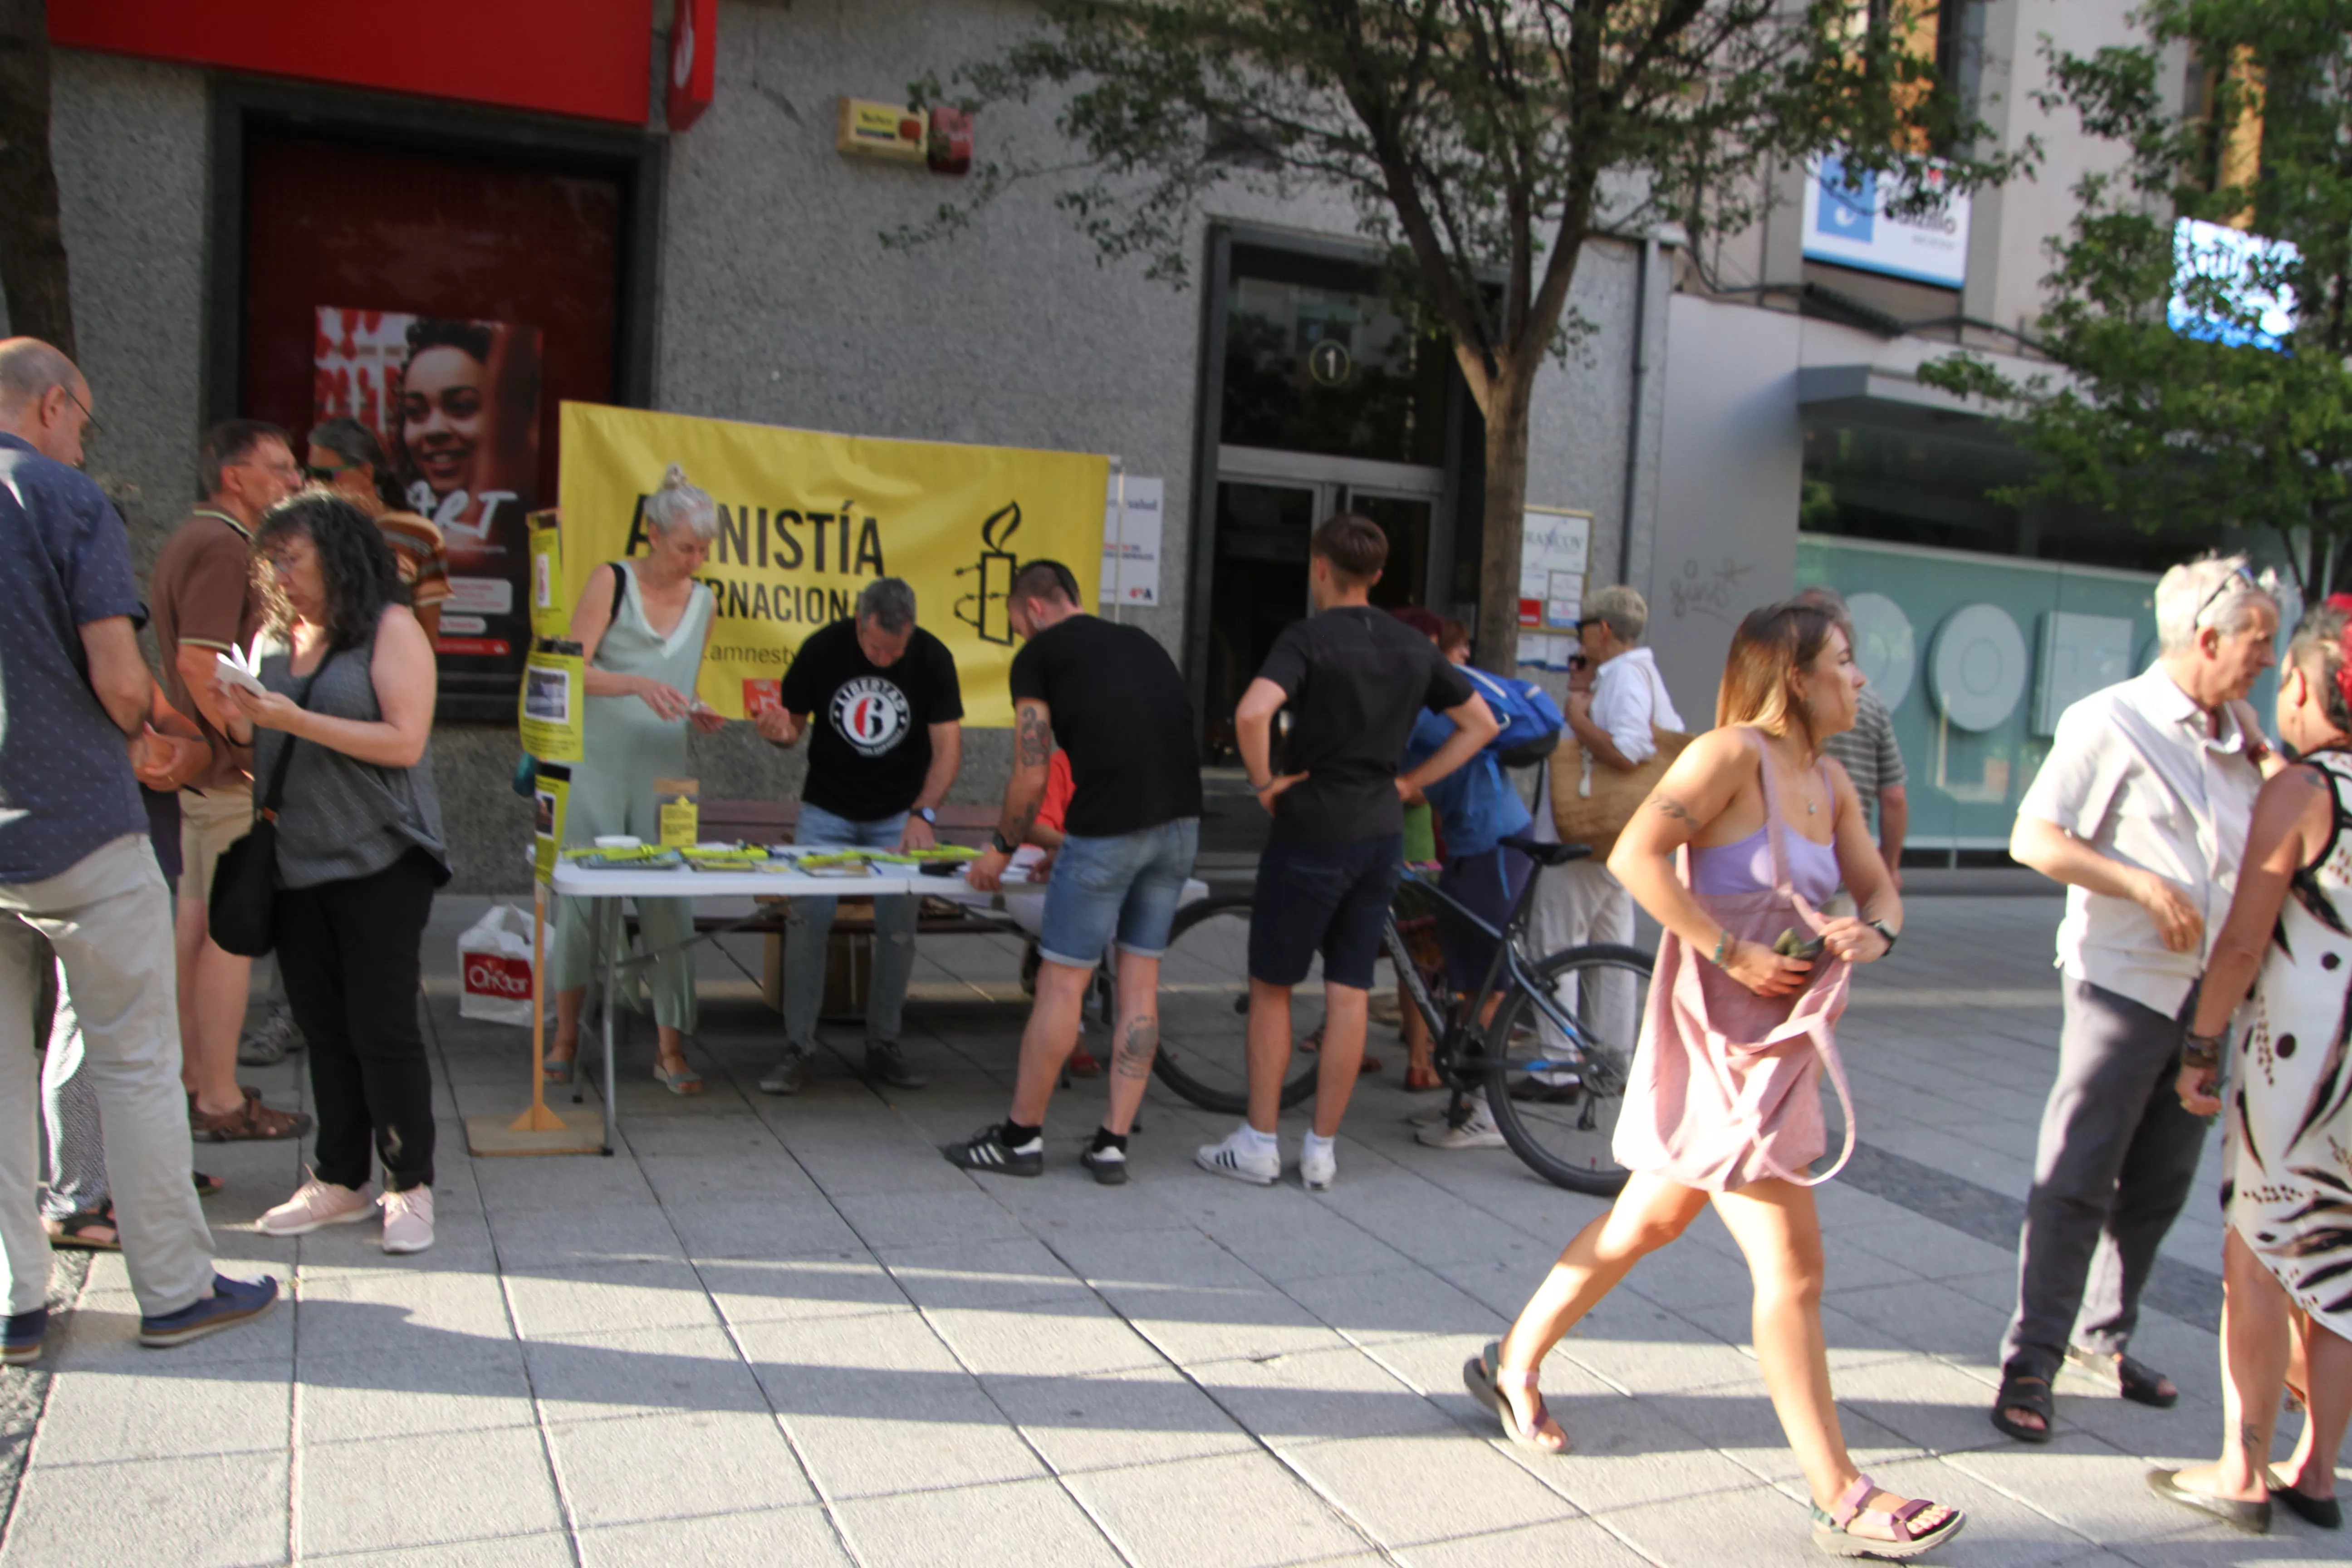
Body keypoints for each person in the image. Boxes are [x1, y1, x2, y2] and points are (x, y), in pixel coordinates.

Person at [1473, 600, 1961, 1558]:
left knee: (1646, 1221)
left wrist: (1877, 929)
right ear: (1794, 678)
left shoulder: (1829, 779)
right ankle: (1841, 1494)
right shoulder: (1727, 755)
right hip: (1714, 1039)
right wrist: (1724, 950)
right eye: (1845, 663)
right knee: (1795, 1268)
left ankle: (1512, 1358)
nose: (1859, 680)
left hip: (1778, 1048)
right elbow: (1635, 856)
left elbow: (1879, 886)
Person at [0, 336, 277, 1352]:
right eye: (84, 418)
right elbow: (120, 679)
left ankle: (13, 1303)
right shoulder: (66, 501)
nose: (82, 436)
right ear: (54, 406)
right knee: (134, 1056)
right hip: (76, 815)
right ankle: (172, 1289)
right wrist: (165, 734)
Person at [1992, 554, 2279, 1443]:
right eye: (2257, 643)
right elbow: (2032, 837)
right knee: (2079, 1173)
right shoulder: (2111, 719)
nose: (2265, 660)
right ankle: (2030, 1358)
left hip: (2208, 1002)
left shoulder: (2240, 738)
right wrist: (2141, 887)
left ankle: (2102, 1339)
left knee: (2160, 1183)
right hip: (2121, 989)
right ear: (2206, 638)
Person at [1196, 515, 1496, 1192]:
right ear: (1380, 575)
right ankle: (1323, 1151)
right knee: (1352, 988)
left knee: (1273, 985)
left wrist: (1265, 783)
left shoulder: (1306, 638)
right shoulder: (1412, 644)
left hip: (1312, 827)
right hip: (1381, 830)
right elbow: (1482, 723)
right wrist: (1414, 782)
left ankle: (1260, 1143)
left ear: (1319, 567)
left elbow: (1251, 714)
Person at [2146, 599, 2352, 1534]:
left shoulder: (2304, 791)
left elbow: (2242, 944)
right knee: (2342, 1259)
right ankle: (2317, 1472)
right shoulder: (2309, 783)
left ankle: (2244, 1467)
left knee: (2259, 1256)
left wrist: (2201, 1045)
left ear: (2307, 685)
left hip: (2298, 1066)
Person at [221, 494, 451, 1255]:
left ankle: (408, 1184)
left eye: (292, 556)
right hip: (295, 862)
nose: (278, 571)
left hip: (380, 857)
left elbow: (404, 742)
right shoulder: (274, 641)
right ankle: (339, 1179)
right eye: (272, 559)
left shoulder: (391, 628)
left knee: (380, 1026)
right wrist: (238, 712)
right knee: (323, 1028)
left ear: (338, 555)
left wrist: (290, 719)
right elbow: (266, 744)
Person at [943, 560, 1203, 1184]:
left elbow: (1033, 771)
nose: (1020, 639)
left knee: (1063, 985)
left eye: (1017, 626)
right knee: (1139, 985)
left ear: (1034, 608)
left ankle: (1020, 1139)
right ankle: (1112, 1145)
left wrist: (1001, 850)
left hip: (1107, 831)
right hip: (1180, 827)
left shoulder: (1040, 656)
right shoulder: (1141, 642)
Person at [149, 419, 313, 1143]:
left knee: (195, 931)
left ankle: (196, 1083)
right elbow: (198, 662)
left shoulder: (201, 539)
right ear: (233, 477)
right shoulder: (222, 543)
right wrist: (243, 743)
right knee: (226, 935)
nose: (295, 481)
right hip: (218, 777)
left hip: (203, 776)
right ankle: (216, 1095)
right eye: (278, 468)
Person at [546, 466, 725, 1093]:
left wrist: (696, 709)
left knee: (669, 902)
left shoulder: (705, 600)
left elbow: (683, 680)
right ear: (653, 533)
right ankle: (565, 1036)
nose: (695, 561)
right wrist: (637, 684)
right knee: (582, 899)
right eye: (686, 548)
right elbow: (569, 670)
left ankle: (670, 1047)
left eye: (704, 551)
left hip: (663, 768)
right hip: (595, 760)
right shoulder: (611, 581)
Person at [754, 578, 963, 1094]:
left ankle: (884, 1043)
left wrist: (925, 814)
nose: (886, 659)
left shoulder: (933, 657)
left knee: (898, 926)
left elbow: (949, 748)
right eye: (875, 649)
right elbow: (791, 730)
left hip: (899, 813)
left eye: (897, 650)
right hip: (828, 808)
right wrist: (777, 732)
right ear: (858, 622)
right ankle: (799, 1046)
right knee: (808, 918)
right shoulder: (823, 649)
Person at [1381, 608, 1534, 1151]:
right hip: (1477, 844)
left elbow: (1407, 778)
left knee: (1483, 986)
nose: (1465, 656)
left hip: (1491, 846)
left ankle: (1490, 1115)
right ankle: (1465, 1105)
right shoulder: (1429, 701)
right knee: (1468, 979)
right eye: (1458, 646)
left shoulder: (1432, 704)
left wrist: (1404, 784)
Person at [1529, 584, 1683, 1077]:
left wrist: (1576, 713)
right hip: (1623, 834)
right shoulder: (1643, 674)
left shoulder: (1625, 677)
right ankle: (1613, 1059)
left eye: (1581, 630)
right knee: (1609, 945)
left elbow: (1630, 747)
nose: (1580, 641)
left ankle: (1558, 1066)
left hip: (1588, 834)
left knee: (1556, 943)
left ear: (1604, 630)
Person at [1796, 587, 1906, 889]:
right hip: (1847, 870)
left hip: (1789, 870)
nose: (1857, 682)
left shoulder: (1784, 699)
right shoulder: (1873, 702)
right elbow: (1894, 795)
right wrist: (1888, 869)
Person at [308, 416, 451, 640]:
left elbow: (427, 631)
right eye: (310, 475)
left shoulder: (419, 534)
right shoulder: (307, 531)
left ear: (366, 472)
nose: (315, 486)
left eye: (325, 476)